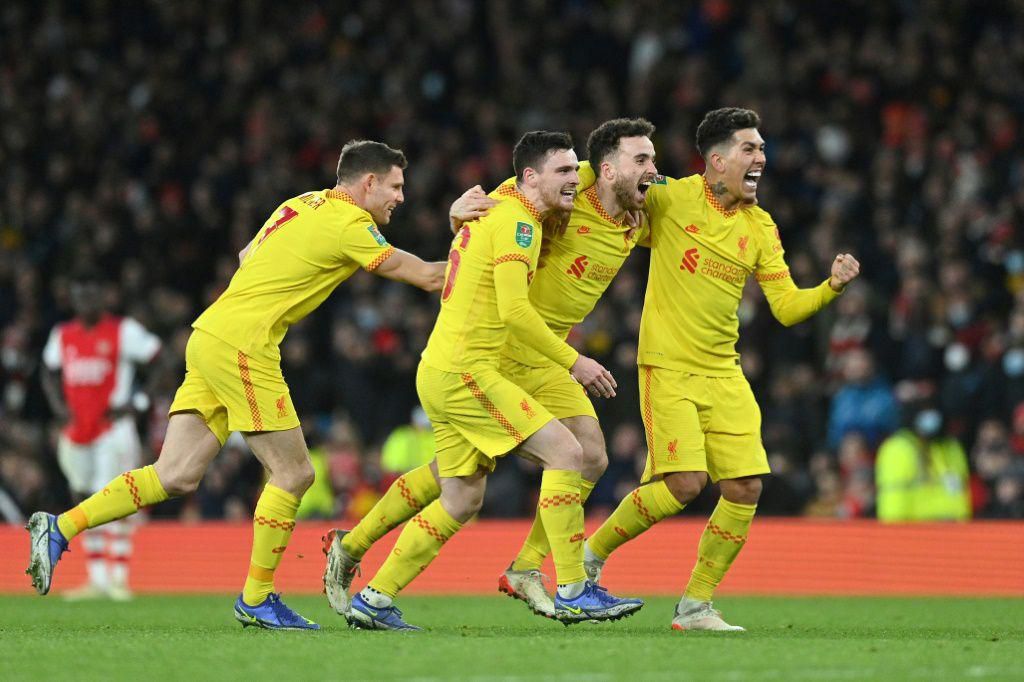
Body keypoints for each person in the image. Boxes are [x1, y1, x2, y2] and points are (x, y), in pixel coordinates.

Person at [26, 140, 449, 631]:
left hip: (210, 335)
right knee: (294, 472)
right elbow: (423, 276)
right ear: (368, 182)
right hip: (243, 346)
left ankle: (60, 526)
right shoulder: (351, 222)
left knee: (175, 474)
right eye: (395, 186)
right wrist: (488, 262)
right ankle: (257, 598)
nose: (401, 197)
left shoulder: (300, 203)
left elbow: (247, 255)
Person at [323, 119, 658, 620]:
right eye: (642, 160)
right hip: (489, 359)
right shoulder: (531, 208)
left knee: (551, 464)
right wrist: (459, 215)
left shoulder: (610, 205)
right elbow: (513, 287)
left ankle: (377, 581)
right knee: (558, 455)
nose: (653, 171)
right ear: (607, 169)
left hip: (519, 356)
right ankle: (572, 588)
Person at [581, 107, 861, 631]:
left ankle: (695, 606)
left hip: (725, 373)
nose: (761, 158)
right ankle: (590, 556)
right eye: (750, 149)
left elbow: (785, 307)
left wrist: (831, 288)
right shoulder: (670, 196)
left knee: (746, 487)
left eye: (762, 149)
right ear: (716, 161)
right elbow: (608, 181)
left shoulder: (761, 226)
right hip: (668, 366)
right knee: (686, 483)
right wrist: (530, 195)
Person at [40, 268, 162, 600]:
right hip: (77, 430)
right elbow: (48, 371)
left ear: (103, 296)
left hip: (113, 429)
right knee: (82, 497)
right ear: (73, 299)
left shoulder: (124, 330)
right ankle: (96, 578)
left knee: (115, 497)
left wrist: (138, 402)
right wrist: (58, 406)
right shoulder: (62, 334)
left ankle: (119, 578)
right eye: (80, 295)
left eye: (92, 294)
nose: (86, 301)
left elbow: (159, 358)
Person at [876, 404, 971, 521]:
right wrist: (894, 529)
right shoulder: (898, 448)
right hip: (919, 527)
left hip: (955, 526)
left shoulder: (951, 447)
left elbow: (961, 491)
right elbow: (893, 496)